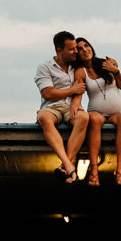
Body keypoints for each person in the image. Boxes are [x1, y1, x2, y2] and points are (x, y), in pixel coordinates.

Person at [73, 37, 121, 185]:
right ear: (77, 53)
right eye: (80, 48)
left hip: (116, 113)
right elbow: (78, 92)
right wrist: (75, 107)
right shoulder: (81, 71)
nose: (84, 50)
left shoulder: (106, 64)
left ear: (91, 47)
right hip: (96, 112)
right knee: (94, 120)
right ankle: (93, 170)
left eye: (86, 46)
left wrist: (116, 71)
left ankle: (119, 171)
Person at [34, 31, 89, 184]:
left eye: (75, 48)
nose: (76, 52)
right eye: (71, 49)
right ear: (59, 50)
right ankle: (69, 165)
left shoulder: (77, 66)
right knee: (44, 117)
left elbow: (83, 84)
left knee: (84, 117)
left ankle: (64, 166)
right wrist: (73, 90)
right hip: (52, 107)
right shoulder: (44, 67)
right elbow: (48, 94)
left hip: (71, 107)